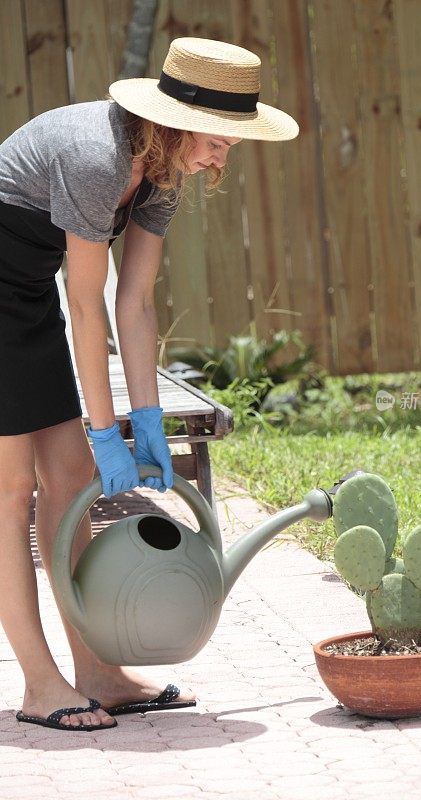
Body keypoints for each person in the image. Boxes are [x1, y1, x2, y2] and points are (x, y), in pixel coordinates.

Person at [0, 37, 298, 732]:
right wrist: (106, 431)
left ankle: (96, 669)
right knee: (12, 492)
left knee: (72, 481)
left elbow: (131, 302)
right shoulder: (96, 157)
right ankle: (39, 683)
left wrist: (147, 421)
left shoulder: (160, 172)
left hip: (24, 298)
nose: (224, 156)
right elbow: (86, 304)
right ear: (176, 120)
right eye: (220, 139)